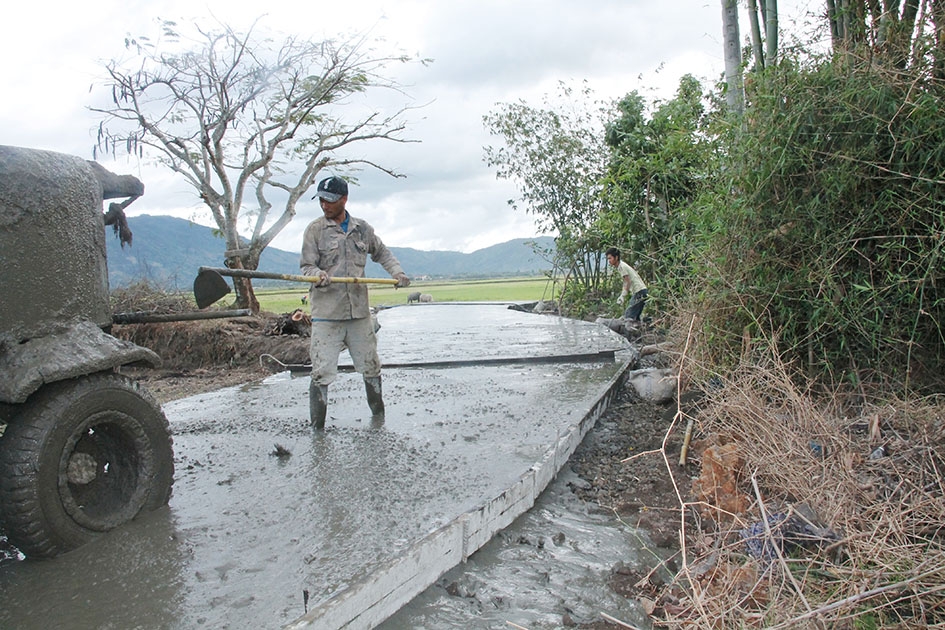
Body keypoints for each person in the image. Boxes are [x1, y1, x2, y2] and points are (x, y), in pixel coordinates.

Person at [300, 175, 410, 429]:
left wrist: (397, 272)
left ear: (343, 199)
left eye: (329, 200)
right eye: (321, 200)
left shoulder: (362, 229)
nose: (324, 205)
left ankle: (378, 420)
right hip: (327, 314)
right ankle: (318, 429)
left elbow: (382, 253)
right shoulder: (315, 230)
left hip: (359, 313)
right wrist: (317, 276)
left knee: (371, 365)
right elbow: (306, 266)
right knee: (321, 372)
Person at [605, 247, 647, 321]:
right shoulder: (621, 266)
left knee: (629, 315)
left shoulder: (622, 267)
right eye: (608, 259)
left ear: (616, 257)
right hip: (641, 290)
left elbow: (627, 281)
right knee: (635, 316)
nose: (609, 261)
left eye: (610, 258)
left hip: (639, 291)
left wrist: (623, 295)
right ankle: (639, 330)